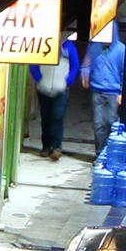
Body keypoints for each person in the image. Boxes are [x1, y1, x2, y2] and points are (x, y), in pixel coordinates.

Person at [29, 32, 79, 161]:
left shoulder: (68, 47)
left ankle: (56, 147)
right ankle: (46, 146)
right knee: (46, 118)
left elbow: (75, 65)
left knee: (57, 117)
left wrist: (67, 81)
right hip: (43, 88)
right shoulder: (43, 45)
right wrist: (39, 78)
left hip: (61, 90)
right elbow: (32, 62)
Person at [84, 28, 126, 154]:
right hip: (97, 91)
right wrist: (85, 74)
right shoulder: (94, 47)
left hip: (113, 93)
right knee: (99, 124)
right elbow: (86, 64)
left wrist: (121, 92)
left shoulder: (121, 49)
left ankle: (111, 154)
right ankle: (100, 153)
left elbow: (125, 71)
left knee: (111, 123)